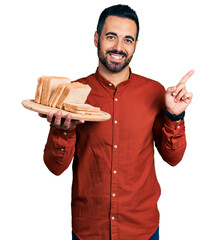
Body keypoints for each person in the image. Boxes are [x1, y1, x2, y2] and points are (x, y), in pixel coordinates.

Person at [41, 4, 194, 240]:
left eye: (128, 40)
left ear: (135, 45)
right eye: (111, 37)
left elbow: (173, 159)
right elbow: (55, 167)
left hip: (142, 229)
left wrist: (175, 116)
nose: (118, 47)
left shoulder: (154, 92)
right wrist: (63, 131)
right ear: (96, 38)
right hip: (89, 230)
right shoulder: (73, 93)